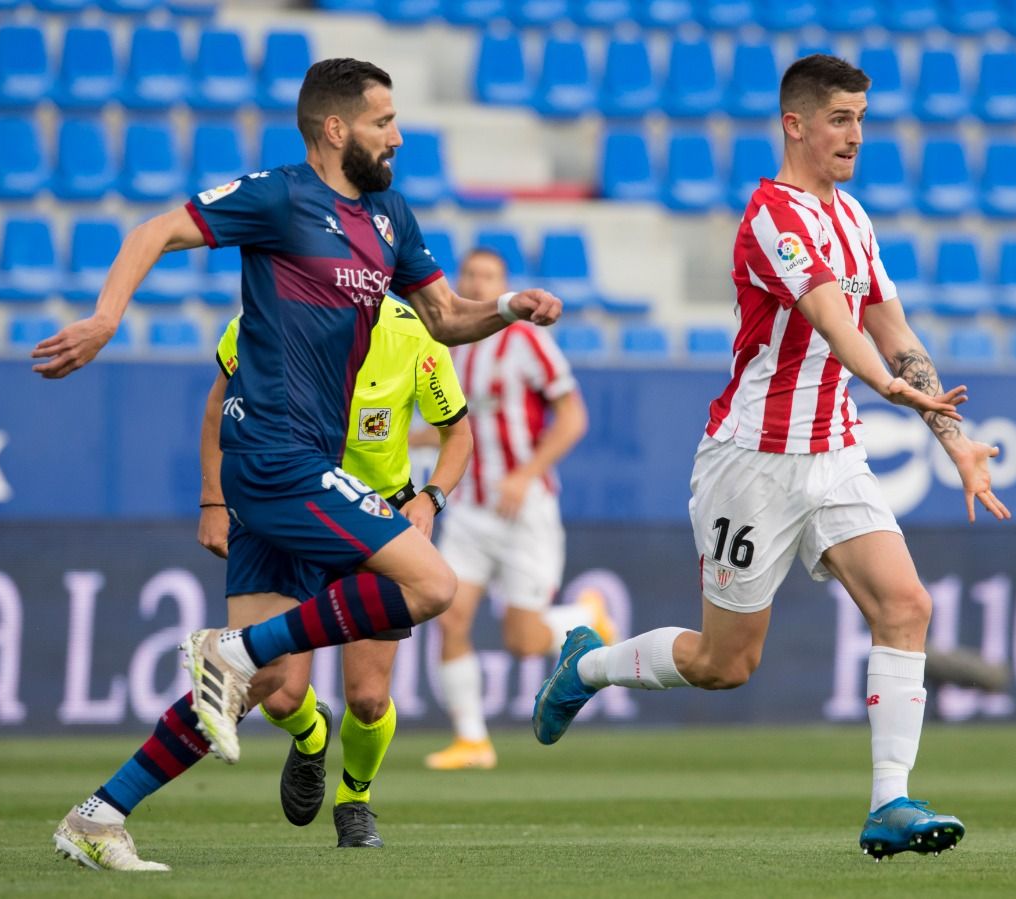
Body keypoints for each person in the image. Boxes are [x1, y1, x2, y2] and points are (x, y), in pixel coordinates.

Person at [41, 57, 561, 870]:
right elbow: (155, 231)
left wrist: (506, 309)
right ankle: (232, 650)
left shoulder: (390, 213)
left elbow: (445, 316)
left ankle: (99, 811)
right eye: (384, 121)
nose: (398, 135)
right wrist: (107, 317)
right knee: (430, 584)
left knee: (261, 690)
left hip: (306, 459)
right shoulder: (279, 196)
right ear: (335, 129)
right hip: (274, 451)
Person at [529, 55, 1010, 861]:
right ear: (796, 124)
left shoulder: (854, 219)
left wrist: (958, 445)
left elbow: (894, 328)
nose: (856, 135)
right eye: (840, 119)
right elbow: (834, 321)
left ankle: (889, 800)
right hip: (751, 460)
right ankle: (589, 665)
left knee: (907, 605)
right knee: (727, 662)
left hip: (834, 451)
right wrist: (891, 387)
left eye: (861, 118)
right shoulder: (770, 217)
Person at [197, 303, 471, 847]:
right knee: (278, 695)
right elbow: (218, 410)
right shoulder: (269, 313)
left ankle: (356, 800)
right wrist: (212, 499)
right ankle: (310, 732)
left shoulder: (413, 335)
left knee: (369, 699)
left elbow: (456, 433)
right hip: (295, 513)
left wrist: (431, 498)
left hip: (374, 523)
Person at [423, 247, 610, 771]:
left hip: (524, 508)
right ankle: (472, 740)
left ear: (505, 285)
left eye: (489, 275)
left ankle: (587, 617)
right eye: (470, 274)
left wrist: (524, 475)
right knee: (449, 615)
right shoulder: (448, 346)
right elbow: (448, 428)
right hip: (469, 508)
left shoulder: (527, 340)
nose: (478, 282)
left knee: (524, 640)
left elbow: (573, 417)